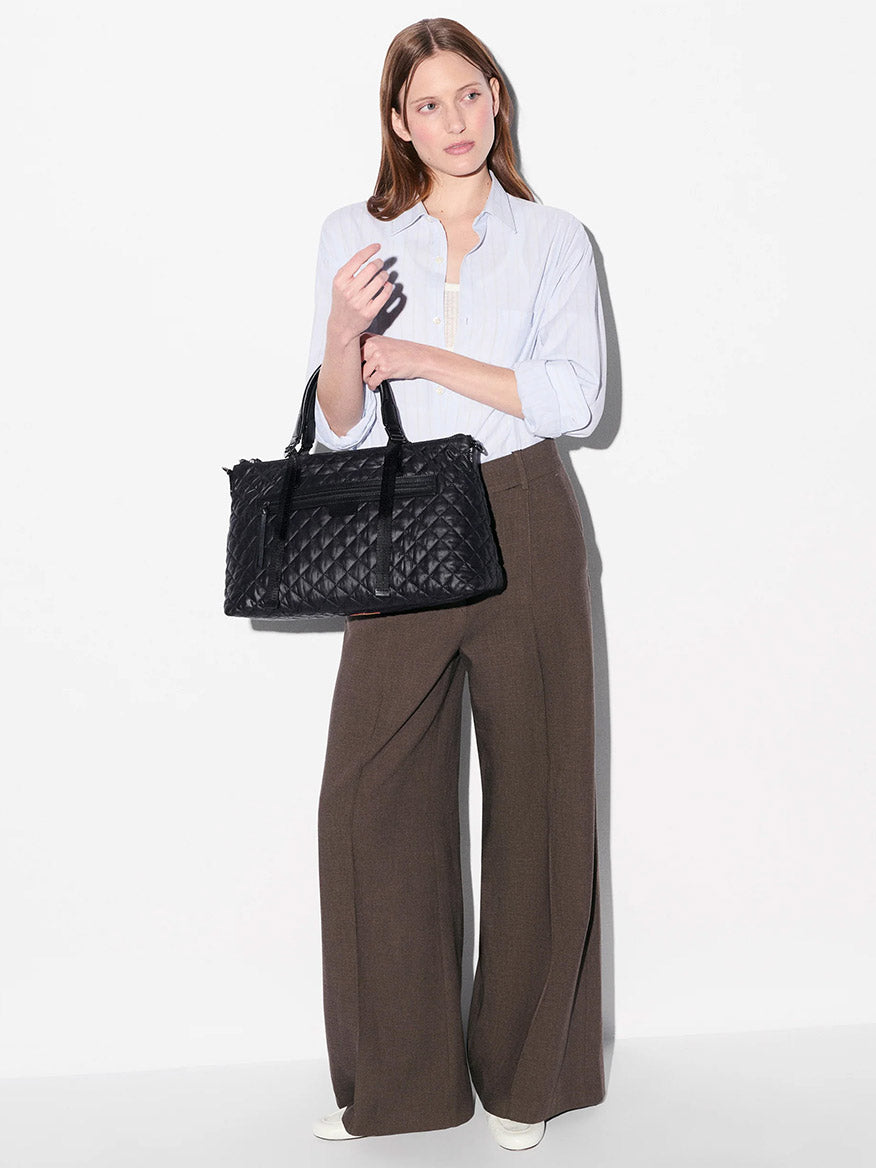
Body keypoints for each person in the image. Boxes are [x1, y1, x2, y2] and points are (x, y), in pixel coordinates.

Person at [306, 18, 607, 1151]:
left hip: (523, 507)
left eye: (470, 96)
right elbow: (338, 429)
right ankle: (402, 1084)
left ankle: (527, 1077)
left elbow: (577, 398)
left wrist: (426, 357)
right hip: (394, 514)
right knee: (370, 803)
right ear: (399, 121)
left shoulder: (555, 238)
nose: (455, 121)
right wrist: (344, 328)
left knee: (539, 799)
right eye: (428, 104)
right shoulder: (355, 233)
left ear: (498, 101)